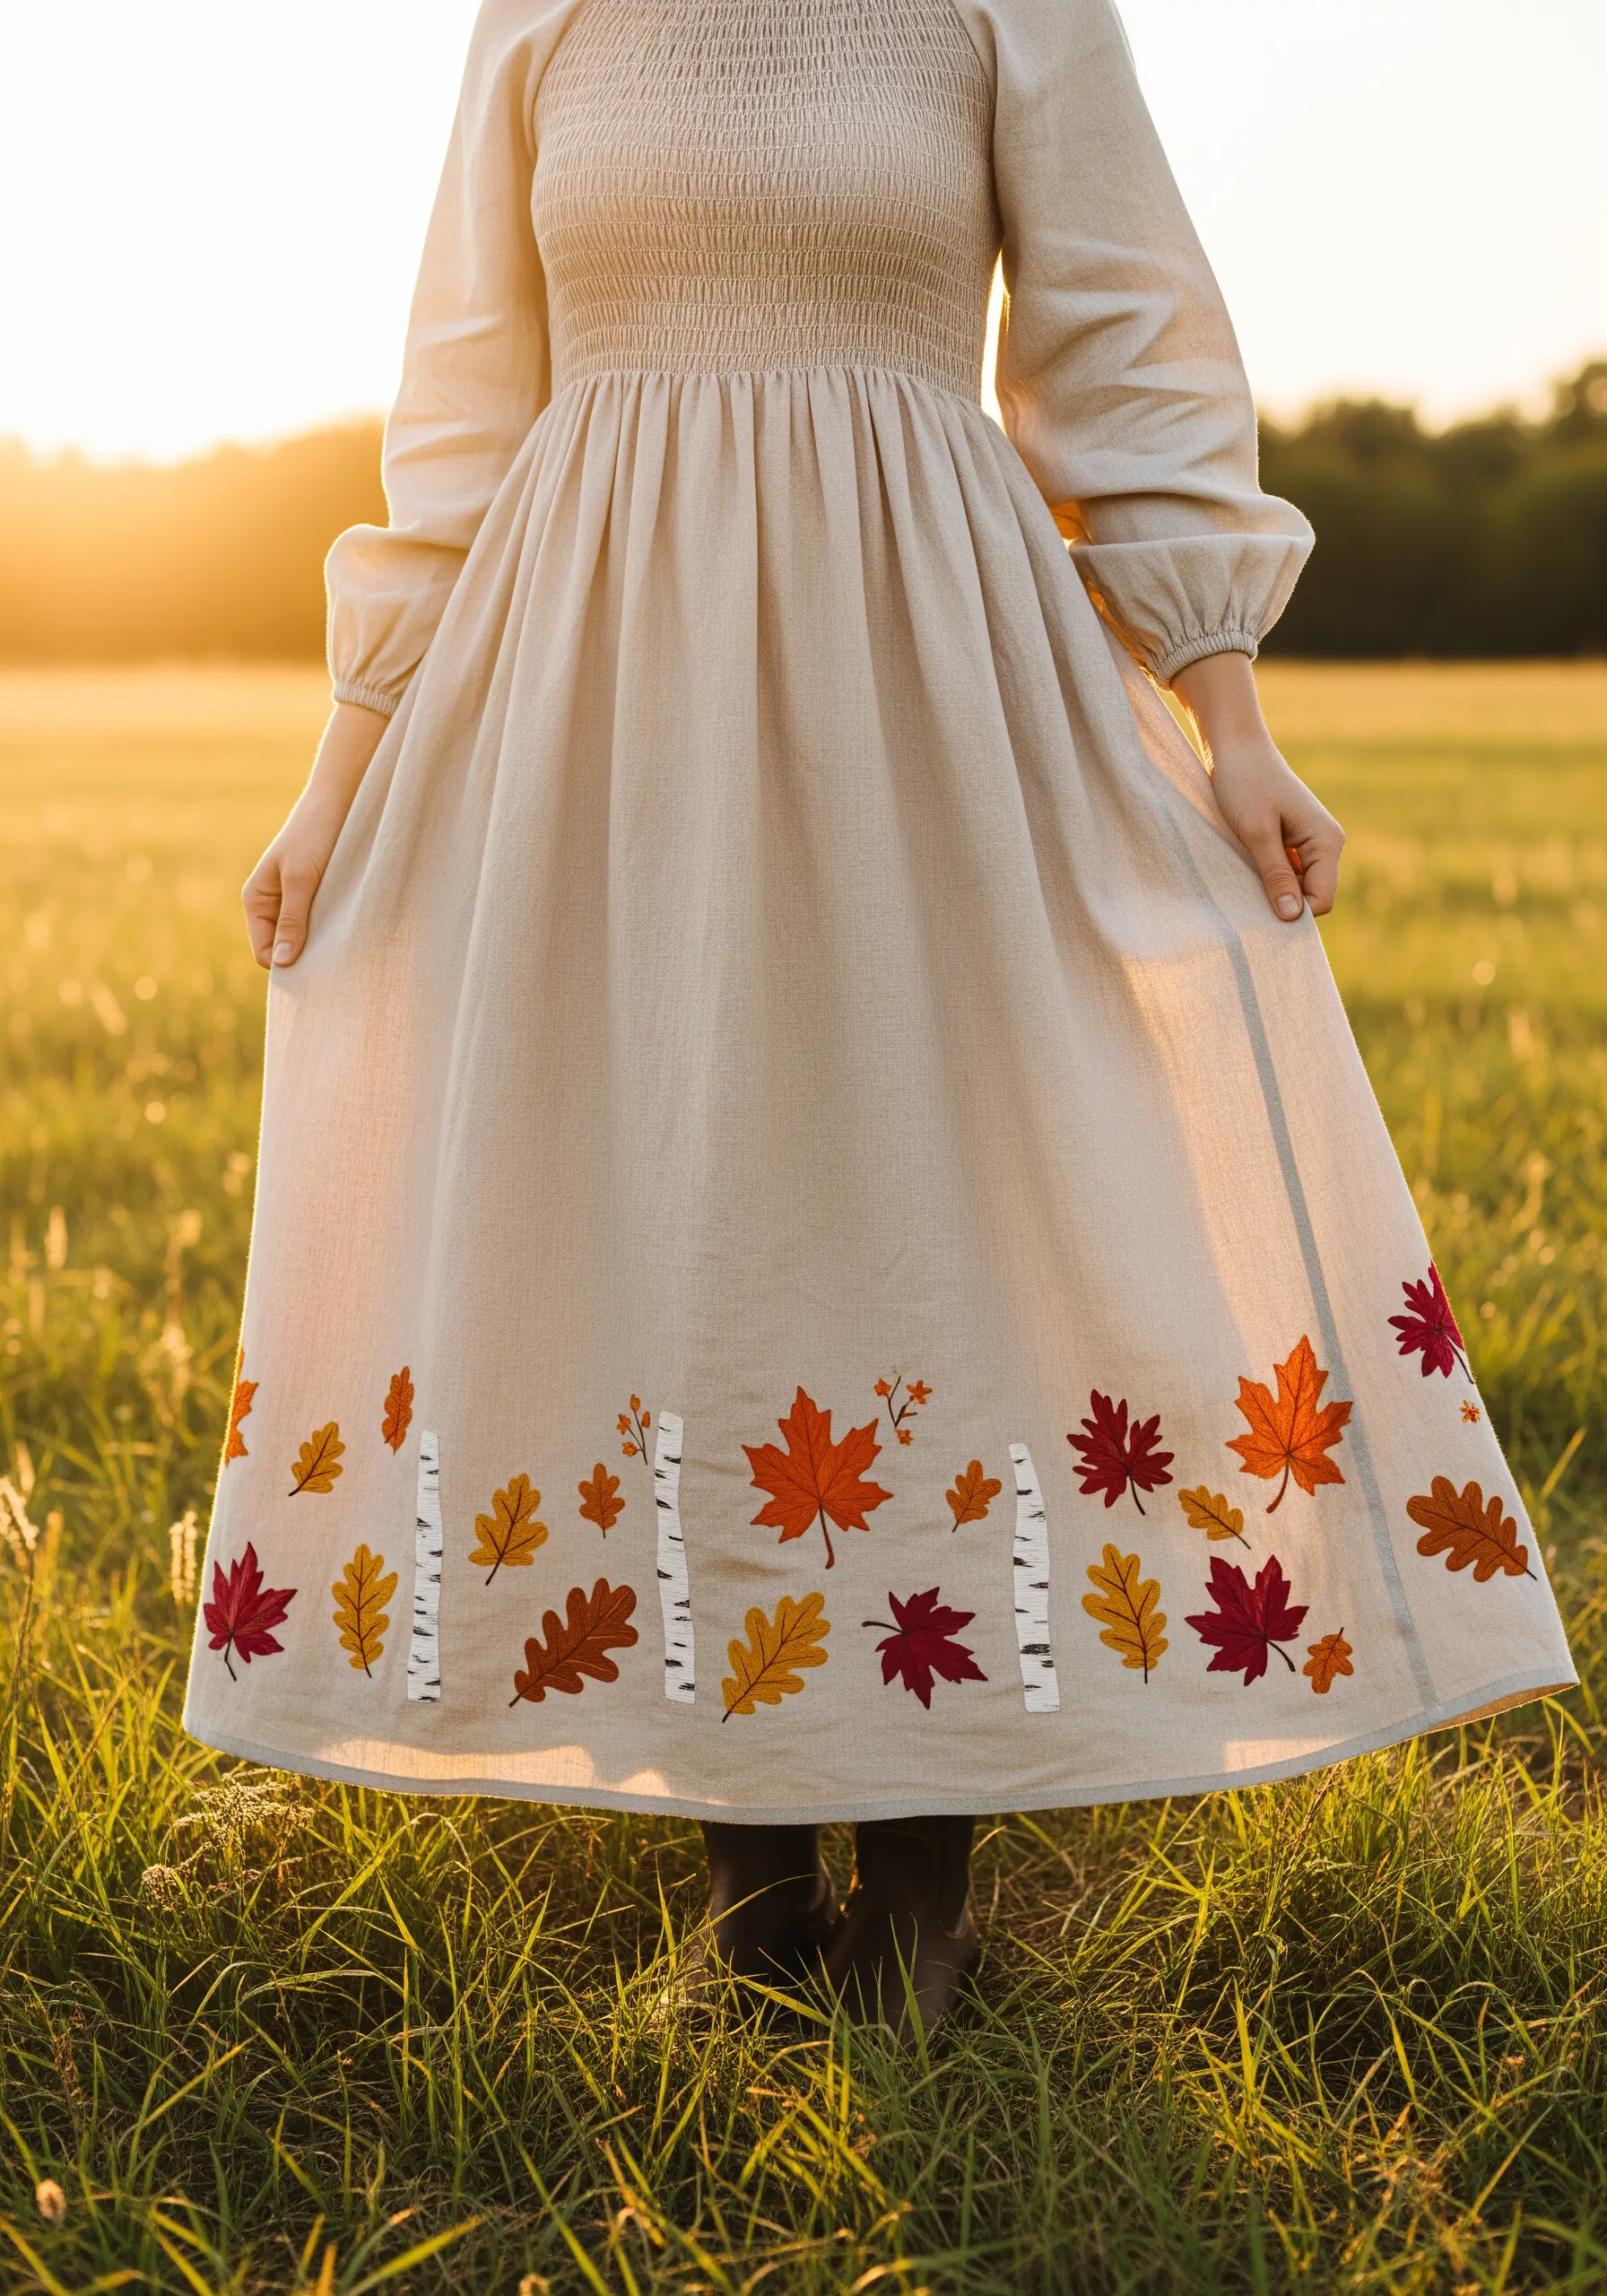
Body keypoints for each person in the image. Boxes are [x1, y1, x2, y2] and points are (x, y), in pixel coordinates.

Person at [185, 0, 1576, 2033]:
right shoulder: (540, 15)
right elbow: (463, 404)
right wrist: (340, 777)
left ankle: (923, 1889)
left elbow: (1121, 333)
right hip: (608, 699)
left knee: (931, 1235)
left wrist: (1231, 719)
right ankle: (746, 1881)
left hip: (927, 685)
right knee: (674, 1237)